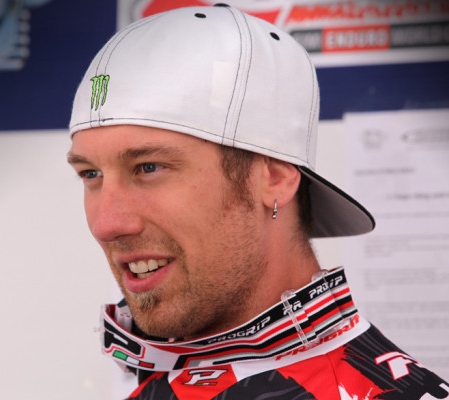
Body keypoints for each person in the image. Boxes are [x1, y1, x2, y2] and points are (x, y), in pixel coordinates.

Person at [67, 4, 448, 399]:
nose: (106, 224)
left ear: (275, 179)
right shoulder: (161, 378)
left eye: (148, 167)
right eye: (90, 174)